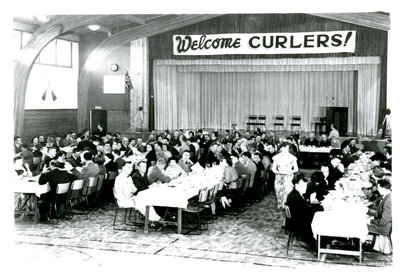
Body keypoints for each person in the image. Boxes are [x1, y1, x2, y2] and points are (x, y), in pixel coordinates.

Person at [285, 172, 315, 243]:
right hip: (298, 225)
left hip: (297, 220)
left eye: (305, 186)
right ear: (296, 185)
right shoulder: (295, 197)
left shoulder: (296, 193)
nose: (305, 188)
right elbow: (306, 211)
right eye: (302, 186)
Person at [271, 141, 298, 210]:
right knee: (279, 191)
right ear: (281, 149)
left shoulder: (292, 157)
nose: (285, 150)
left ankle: (287, 205)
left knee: (287, 191)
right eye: (284, 148)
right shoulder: (276, 157)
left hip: (288, 176)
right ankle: (281, 205)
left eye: (287, 148)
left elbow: (296, 169)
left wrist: (290, 171)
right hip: (279, 176)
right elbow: (273, 169)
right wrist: (278, 172)